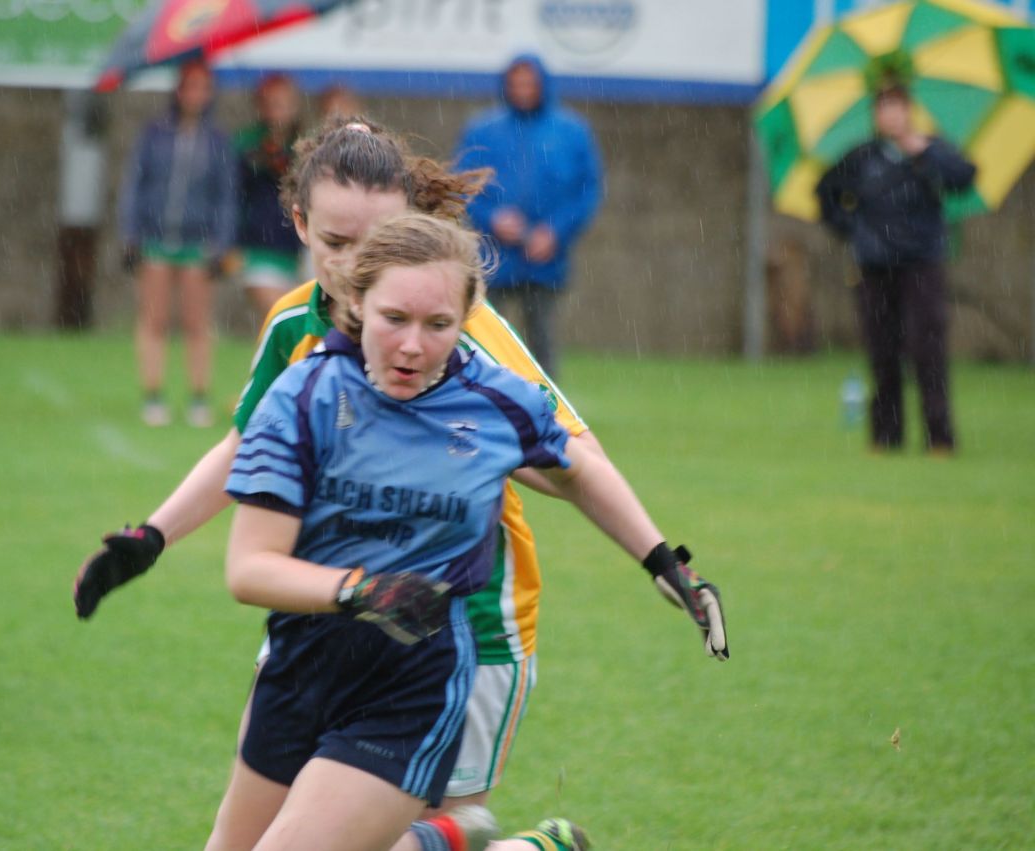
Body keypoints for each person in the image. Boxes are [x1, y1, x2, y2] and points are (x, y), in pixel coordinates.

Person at [74, 120, 727, 851]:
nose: (355, 266)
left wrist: (656, 556)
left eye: (376, 242)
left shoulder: (450, 333)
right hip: (322, 620)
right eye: (336, 243)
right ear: (299, 223)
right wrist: (153, 534)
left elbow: (572, 456)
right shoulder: (299, 335)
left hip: (465, 624)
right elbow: (245, 449)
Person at [816, 77, 975, 454]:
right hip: (874, 265)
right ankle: (886, 436)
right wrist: (852, 230)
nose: (891, 115)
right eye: (884, 107)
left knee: (927, 349)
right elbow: (826, 193)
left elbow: (964, 178)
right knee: (882, 351)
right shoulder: (862, 157)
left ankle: (939, 437)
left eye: (898, 106)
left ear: (909, 110)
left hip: (922, 264)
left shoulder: (932, 150)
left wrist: (926, 153)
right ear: (875, 114)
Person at [454, 54, 603, 380]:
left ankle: (550, 410)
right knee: (484, 334)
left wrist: (554, 232)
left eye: (529, 83)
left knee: (542, 341)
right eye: (516, 83)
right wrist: (492, 219)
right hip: (493, 255)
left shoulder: (571, 132)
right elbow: (462, 186)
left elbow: (586, 191)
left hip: (544, 257)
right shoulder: (483, 130)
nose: (523, 90)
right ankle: (480, 396)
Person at [119, 59, 237, 428]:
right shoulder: (154, 134)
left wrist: (221, 243)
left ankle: (198, 396)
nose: (195, 94)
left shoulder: (217, 141)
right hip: (155, 239)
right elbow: (134, 186)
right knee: (153, 319)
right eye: (190, 86)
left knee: (197, 323)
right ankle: (153, 395)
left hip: (197, 244)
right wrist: (130, 233)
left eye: (203, 87)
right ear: (178, 90)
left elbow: (226, 196)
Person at [232, 73, 305, 321]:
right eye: (271, 103)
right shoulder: (247, 147)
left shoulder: (305, 148)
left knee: (297, 322)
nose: (277, 111)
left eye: (283, 103)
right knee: (280, 316)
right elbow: (233, 198)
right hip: (258, 249)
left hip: (298, 249)